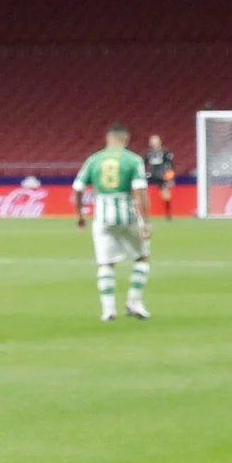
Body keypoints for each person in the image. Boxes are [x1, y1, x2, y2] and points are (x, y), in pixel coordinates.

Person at [75, 125, 152, 320]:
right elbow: (140, 192)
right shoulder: (133, 159)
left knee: (105, 264)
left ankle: (108, 310)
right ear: (126, 140)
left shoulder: (94, 159)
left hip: (101, 216)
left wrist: (80, 214)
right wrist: (146, 221)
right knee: (141, 258)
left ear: (107, 139)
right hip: (127, 214)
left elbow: (77, 188)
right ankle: (134, 303)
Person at [145, 134, 176, 220]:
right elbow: (144, 164)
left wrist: (170, 177)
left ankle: (168, 213)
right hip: (150, 174)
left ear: (159, 141)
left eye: (155, 140)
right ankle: (144, 212)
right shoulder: (148, 153)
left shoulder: (165, 152)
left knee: (165, 193)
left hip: (162, 175)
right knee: (143, 191)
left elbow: (170, 165)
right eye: (151, 140)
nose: (153, 142)